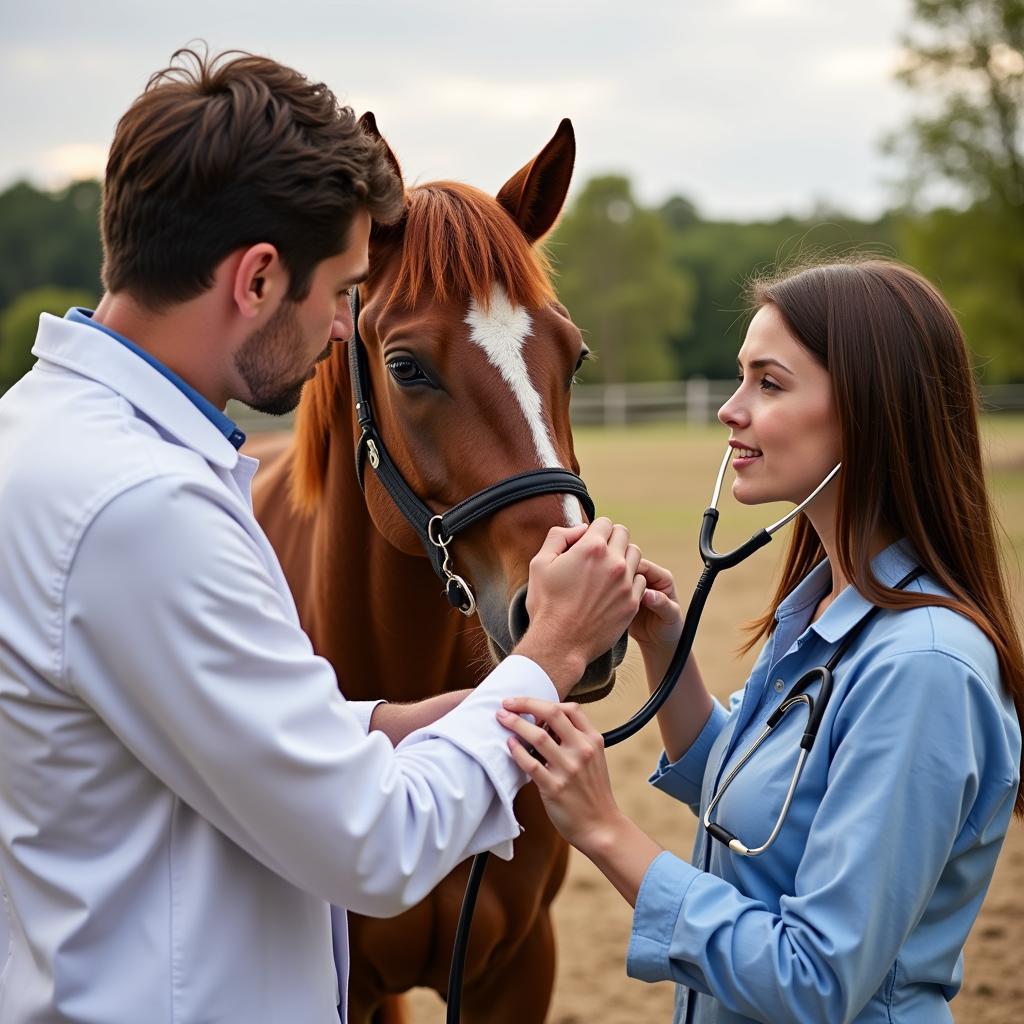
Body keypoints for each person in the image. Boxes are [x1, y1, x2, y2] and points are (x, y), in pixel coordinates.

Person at [0, 49, 648, 1022]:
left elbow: (210, 717)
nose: (344, 330)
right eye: (343, 291)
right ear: (258, 279)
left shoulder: (46, 435)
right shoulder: (142, 509)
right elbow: (371, 845)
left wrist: (407, 719)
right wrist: (546, 654)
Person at [498, 258, 1024, 1023]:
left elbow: (814, 979)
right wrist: (664, 645)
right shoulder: (825, 615)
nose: (729, 410)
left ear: (872, 412)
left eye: (768, 384)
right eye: (740, 378)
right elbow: (770, 811)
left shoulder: (924, 669)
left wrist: (607, 831)